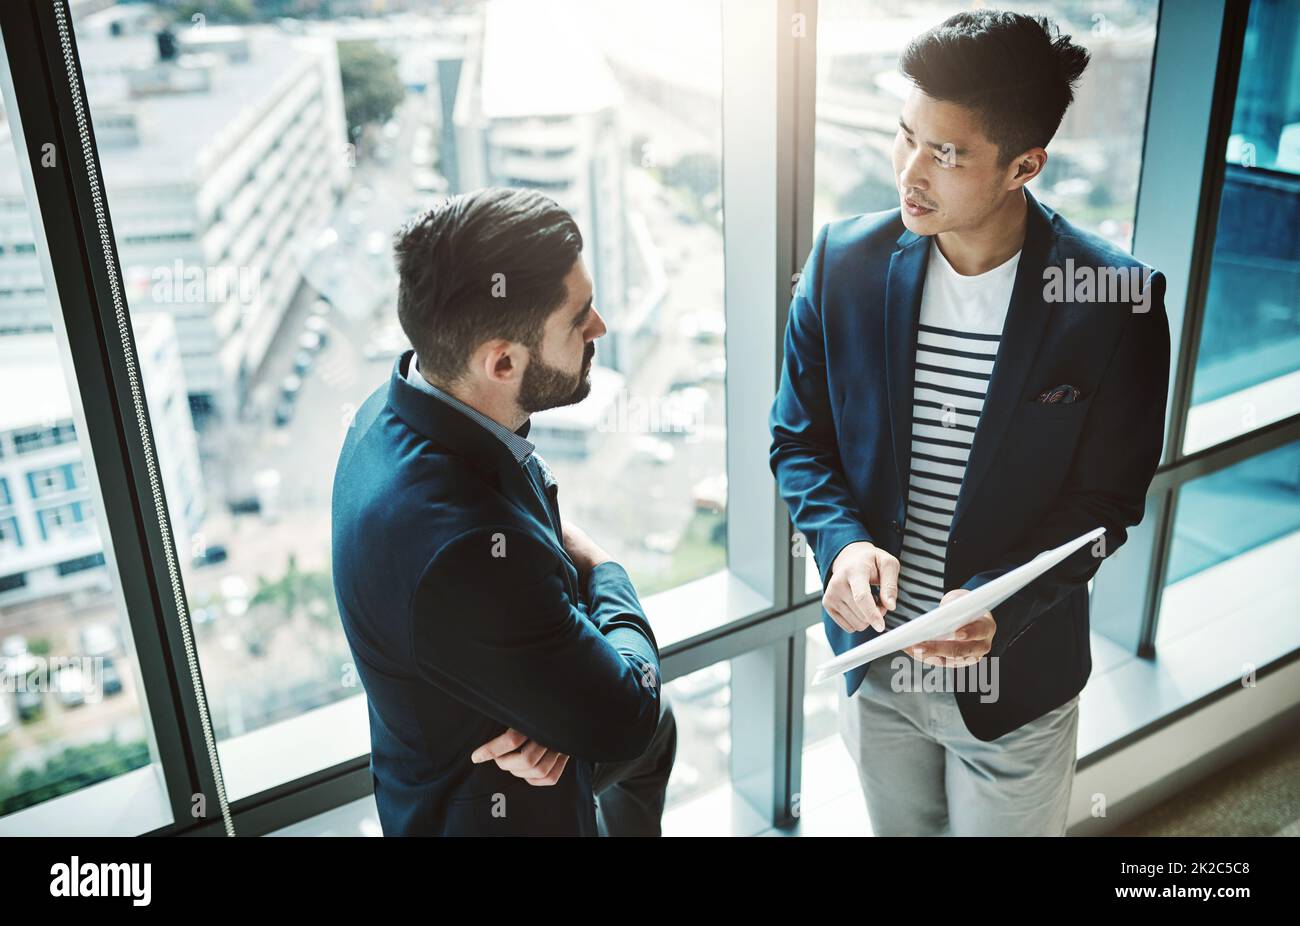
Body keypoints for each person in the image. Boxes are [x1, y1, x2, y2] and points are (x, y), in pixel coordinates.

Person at [769, 10, 1170, 836]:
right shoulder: (841, 262)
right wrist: (842, 544)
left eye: (946, 153)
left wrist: (999, 606)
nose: (911, 172)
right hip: (875, 669)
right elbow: (798, 442)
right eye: (906, 135)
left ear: (1024, 165)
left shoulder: (1114, 302)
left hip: (1016, 683)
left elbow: (1107, 503)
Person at [332, 187, 676, 836]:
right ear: (502, 361)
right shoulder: (463, 545)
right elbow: (629, 710)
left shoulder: (392, 406)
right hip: (504, 817)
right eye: (579, 319)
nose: (600, 326)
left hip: (479, 734)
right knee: (652, 728)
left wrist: (559, 713)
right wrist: (606, 566)